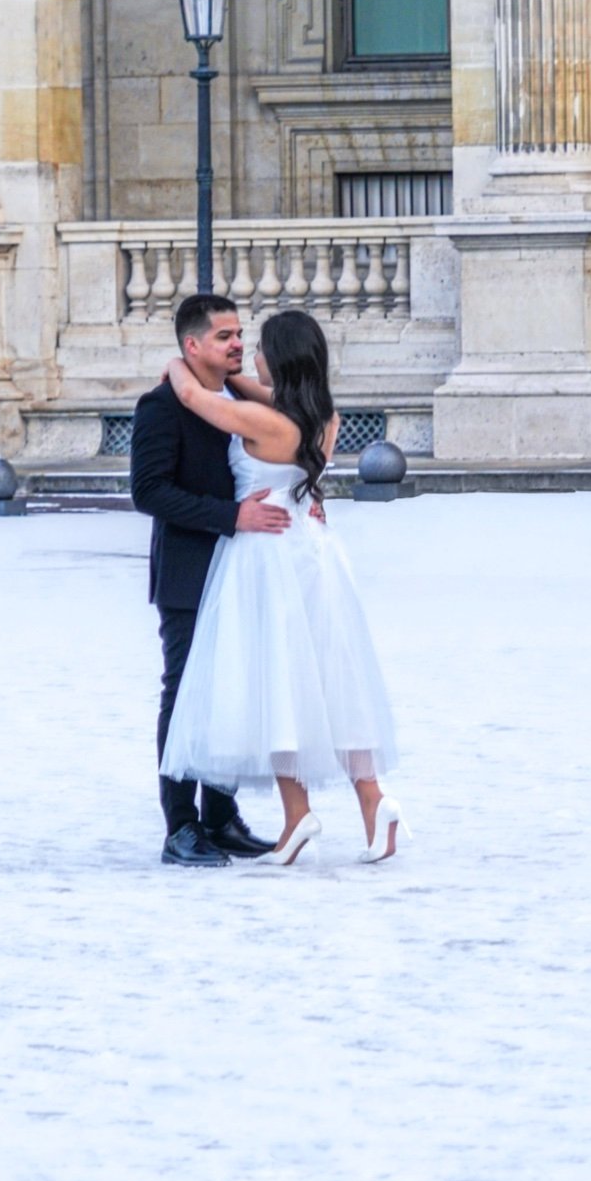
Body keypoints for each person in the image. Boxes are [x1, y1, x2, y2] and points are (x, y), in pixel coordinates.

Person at [160, 307, 403, 865]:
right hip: (314, 557)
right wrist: (227, 374)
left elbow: (198, 400)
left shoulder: (263, 422)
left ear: (282, 360)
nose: (252, 354)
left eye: (261, 347)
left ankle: (299, 813)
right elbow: (250, 389)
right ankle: (372, 801)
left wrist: (180, 364)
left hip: (267, 559)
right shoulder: (322, 417)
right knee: (330, 682)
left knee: (276, 684)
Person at [130, 295, 288, 867]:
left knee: (231, 694)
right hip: (191, 574)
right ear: (192, 345)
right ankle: (181, 827)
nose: (238, 343)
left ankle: (220, 818)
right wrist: (231, 516)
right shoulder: (161, 407)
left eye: (239, 333)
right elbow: (148, 491)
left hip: (243, 573)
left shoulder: (236, 397)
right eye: (224, 336)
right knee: (185, 697)